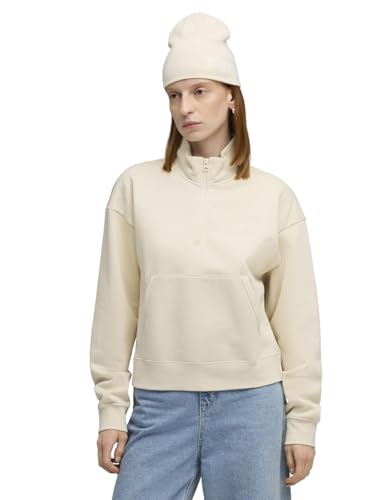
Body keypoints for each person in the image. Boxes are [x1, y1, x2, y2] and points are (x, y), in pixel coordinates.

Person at [89, 11, 322, 500]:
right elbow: (116, 305)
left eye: (200, 91)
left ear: (232, 96)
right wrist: (111, 408)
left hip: (252, 406)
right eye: (174, 95)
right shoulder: (135, 188)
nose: (185, 107)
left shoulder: (273, 196)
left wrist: (302, 421)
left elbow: (296, 318)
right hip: (159, 403)